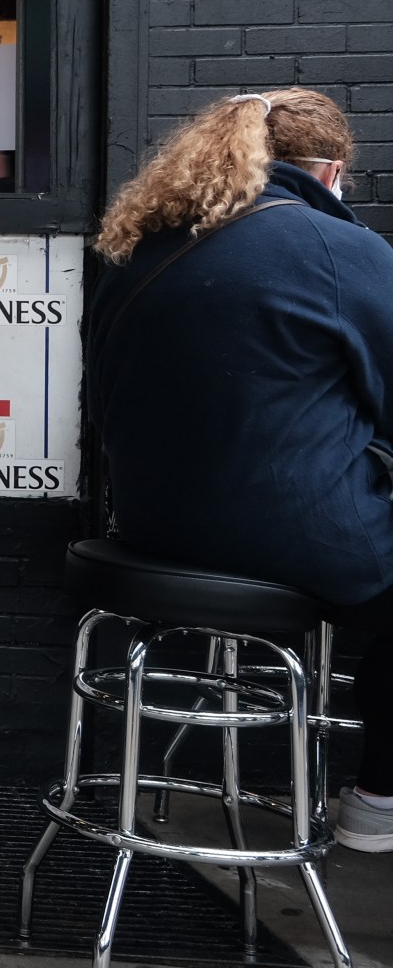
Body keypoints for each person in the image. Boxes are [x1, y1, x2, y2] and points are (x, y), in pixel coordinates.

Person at [85, 89, 393, 852]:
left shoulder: (141, 244)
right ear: (330, 172)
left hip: (147, 529)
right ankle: (377, 803)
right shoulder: (337, 249)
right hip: (279, 537)